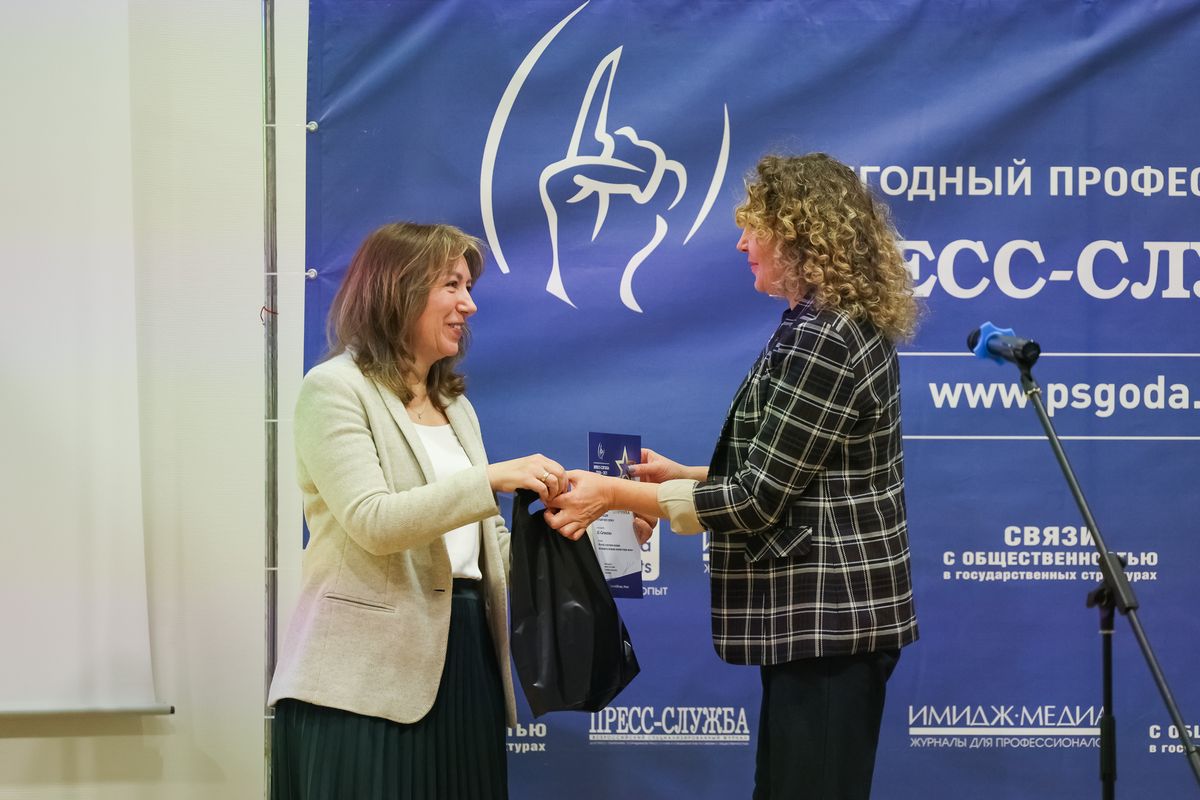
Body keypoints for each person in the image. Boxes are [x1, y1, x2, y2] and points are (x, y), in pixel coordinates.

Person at [545, 153, 920, 799]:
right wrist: (680, 476)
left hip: (829, 627)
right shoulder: (820, 326)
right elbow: (797, 476)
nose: (743, 242)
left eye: (756, 227)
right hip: (821, 630)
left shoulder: (827, 336)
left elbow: (754, 500)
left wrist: (613, 493)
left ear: (800, 236)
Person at [268, 221, 566, 800]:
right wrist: (489, 479)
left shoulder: (456, 407)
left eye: (468, 287)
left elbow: (491, 549)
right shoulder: (333, 389)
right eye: (451, 285)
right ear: (396, 289)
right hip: (362, 684)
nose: (469, 304)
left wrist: (592, 530)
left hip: (468, 663)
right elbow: (374, 521)